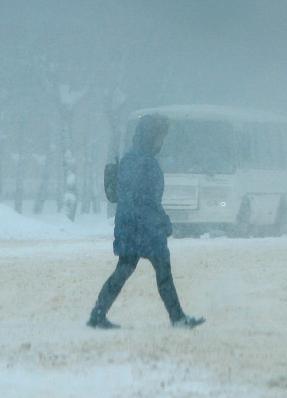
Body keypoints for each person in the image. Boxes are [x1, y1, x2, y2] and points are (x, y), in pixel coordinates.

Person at [87, 114, 204, 329]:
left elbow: (142, 198)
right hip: (142, 228)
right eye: (160, 136)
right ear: (151, 136)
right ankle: (176, 317)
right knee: (157, 273)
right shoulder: (138, 160)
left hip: (138, 227)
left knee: (127, 271)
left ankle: (98, 314)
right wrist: (161, 221)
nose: (162, 141)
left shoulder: (139, 158)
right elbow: (142, 199)